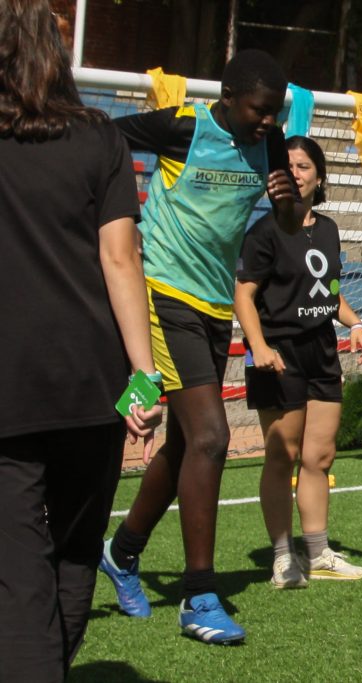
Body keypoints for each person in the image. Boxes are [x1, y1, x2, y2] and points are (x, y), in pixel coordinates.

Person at [99, 49, 303, 645]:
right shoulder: (183, 127)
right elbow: (105, 140)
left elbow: (289, 223)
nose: (268, 121)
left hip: (215, 307)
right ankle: (199, 594)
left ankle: (123, 552)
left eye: (275, 113)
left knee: (189, 443)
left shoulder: (268, 145)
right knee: (213, 437)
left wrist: (289, 199)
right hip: (163, 293)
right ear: (229, 95)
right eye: (259, 110)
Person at [0, 2, 162, 678]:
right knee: (73, 548)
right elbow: (122, 260)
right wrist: (144, 374)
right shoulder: (100, 138)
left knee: (19, 575)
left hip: (9, 384)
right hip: (92, 381)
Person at [234, 136, 362, 588]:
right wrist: (259, 347)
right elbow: (244, 295)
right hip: (277, 354)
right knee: (282, 455)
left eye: (304, 166)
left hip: (320, 351)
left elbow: (327, 292)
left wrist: (354, 323)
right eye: (288, 166)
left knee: (320, 455)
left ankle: (317, 553)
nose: (295, 173)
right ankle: (281, 557)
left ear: (319, 177)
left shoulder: (328, 229)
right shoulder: (265, 231)